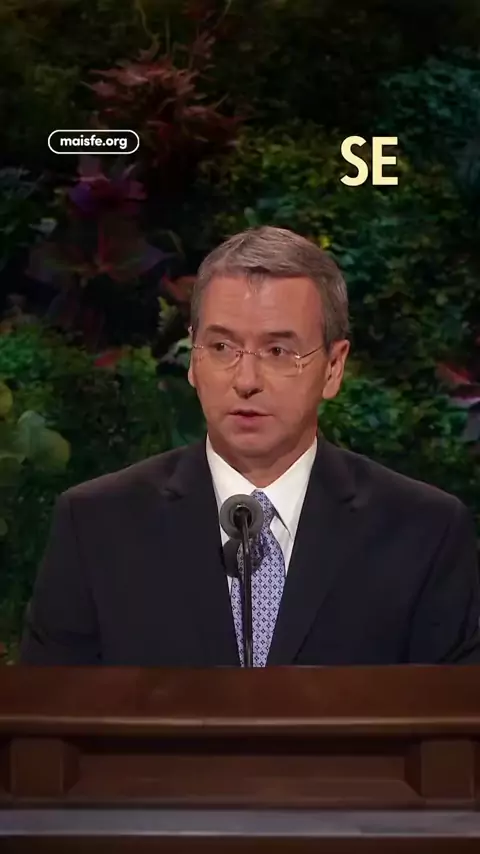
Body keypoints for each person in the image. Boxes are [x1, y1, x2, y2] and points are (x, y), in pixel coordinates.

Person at [19, 226, 480, 666]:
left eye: (278, 352)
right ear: (193, 358)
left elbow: (450, 717)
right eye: (222, 347)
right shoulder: (96, 526)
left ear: (333, 367)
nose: (246, 380)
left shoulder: (424, 532)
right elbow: (50, 713)